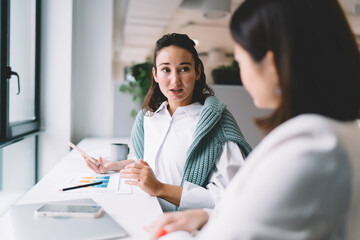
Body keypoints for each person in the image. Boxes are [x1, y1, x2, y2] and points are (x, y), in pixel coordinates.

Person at [145, 0, 360, 239]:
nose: (243, 75)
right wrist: (207, 217)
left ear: (271, 63)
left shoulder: (311, 150)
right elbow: (261, 217)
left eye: (240, 61)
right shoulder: (333, 136)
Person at [84, 33, 252, 212]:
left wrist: (160, 189)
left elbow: (231, 197)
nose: (175, 80)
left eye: (184, 69)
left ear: (197, 72)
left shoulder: (217, 125)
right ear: (155, 75)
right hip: (146, 216)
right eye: (166, 70)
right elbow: (151, 161)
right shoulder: (148, 119)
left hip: (188, 230)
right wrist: (114, 166)